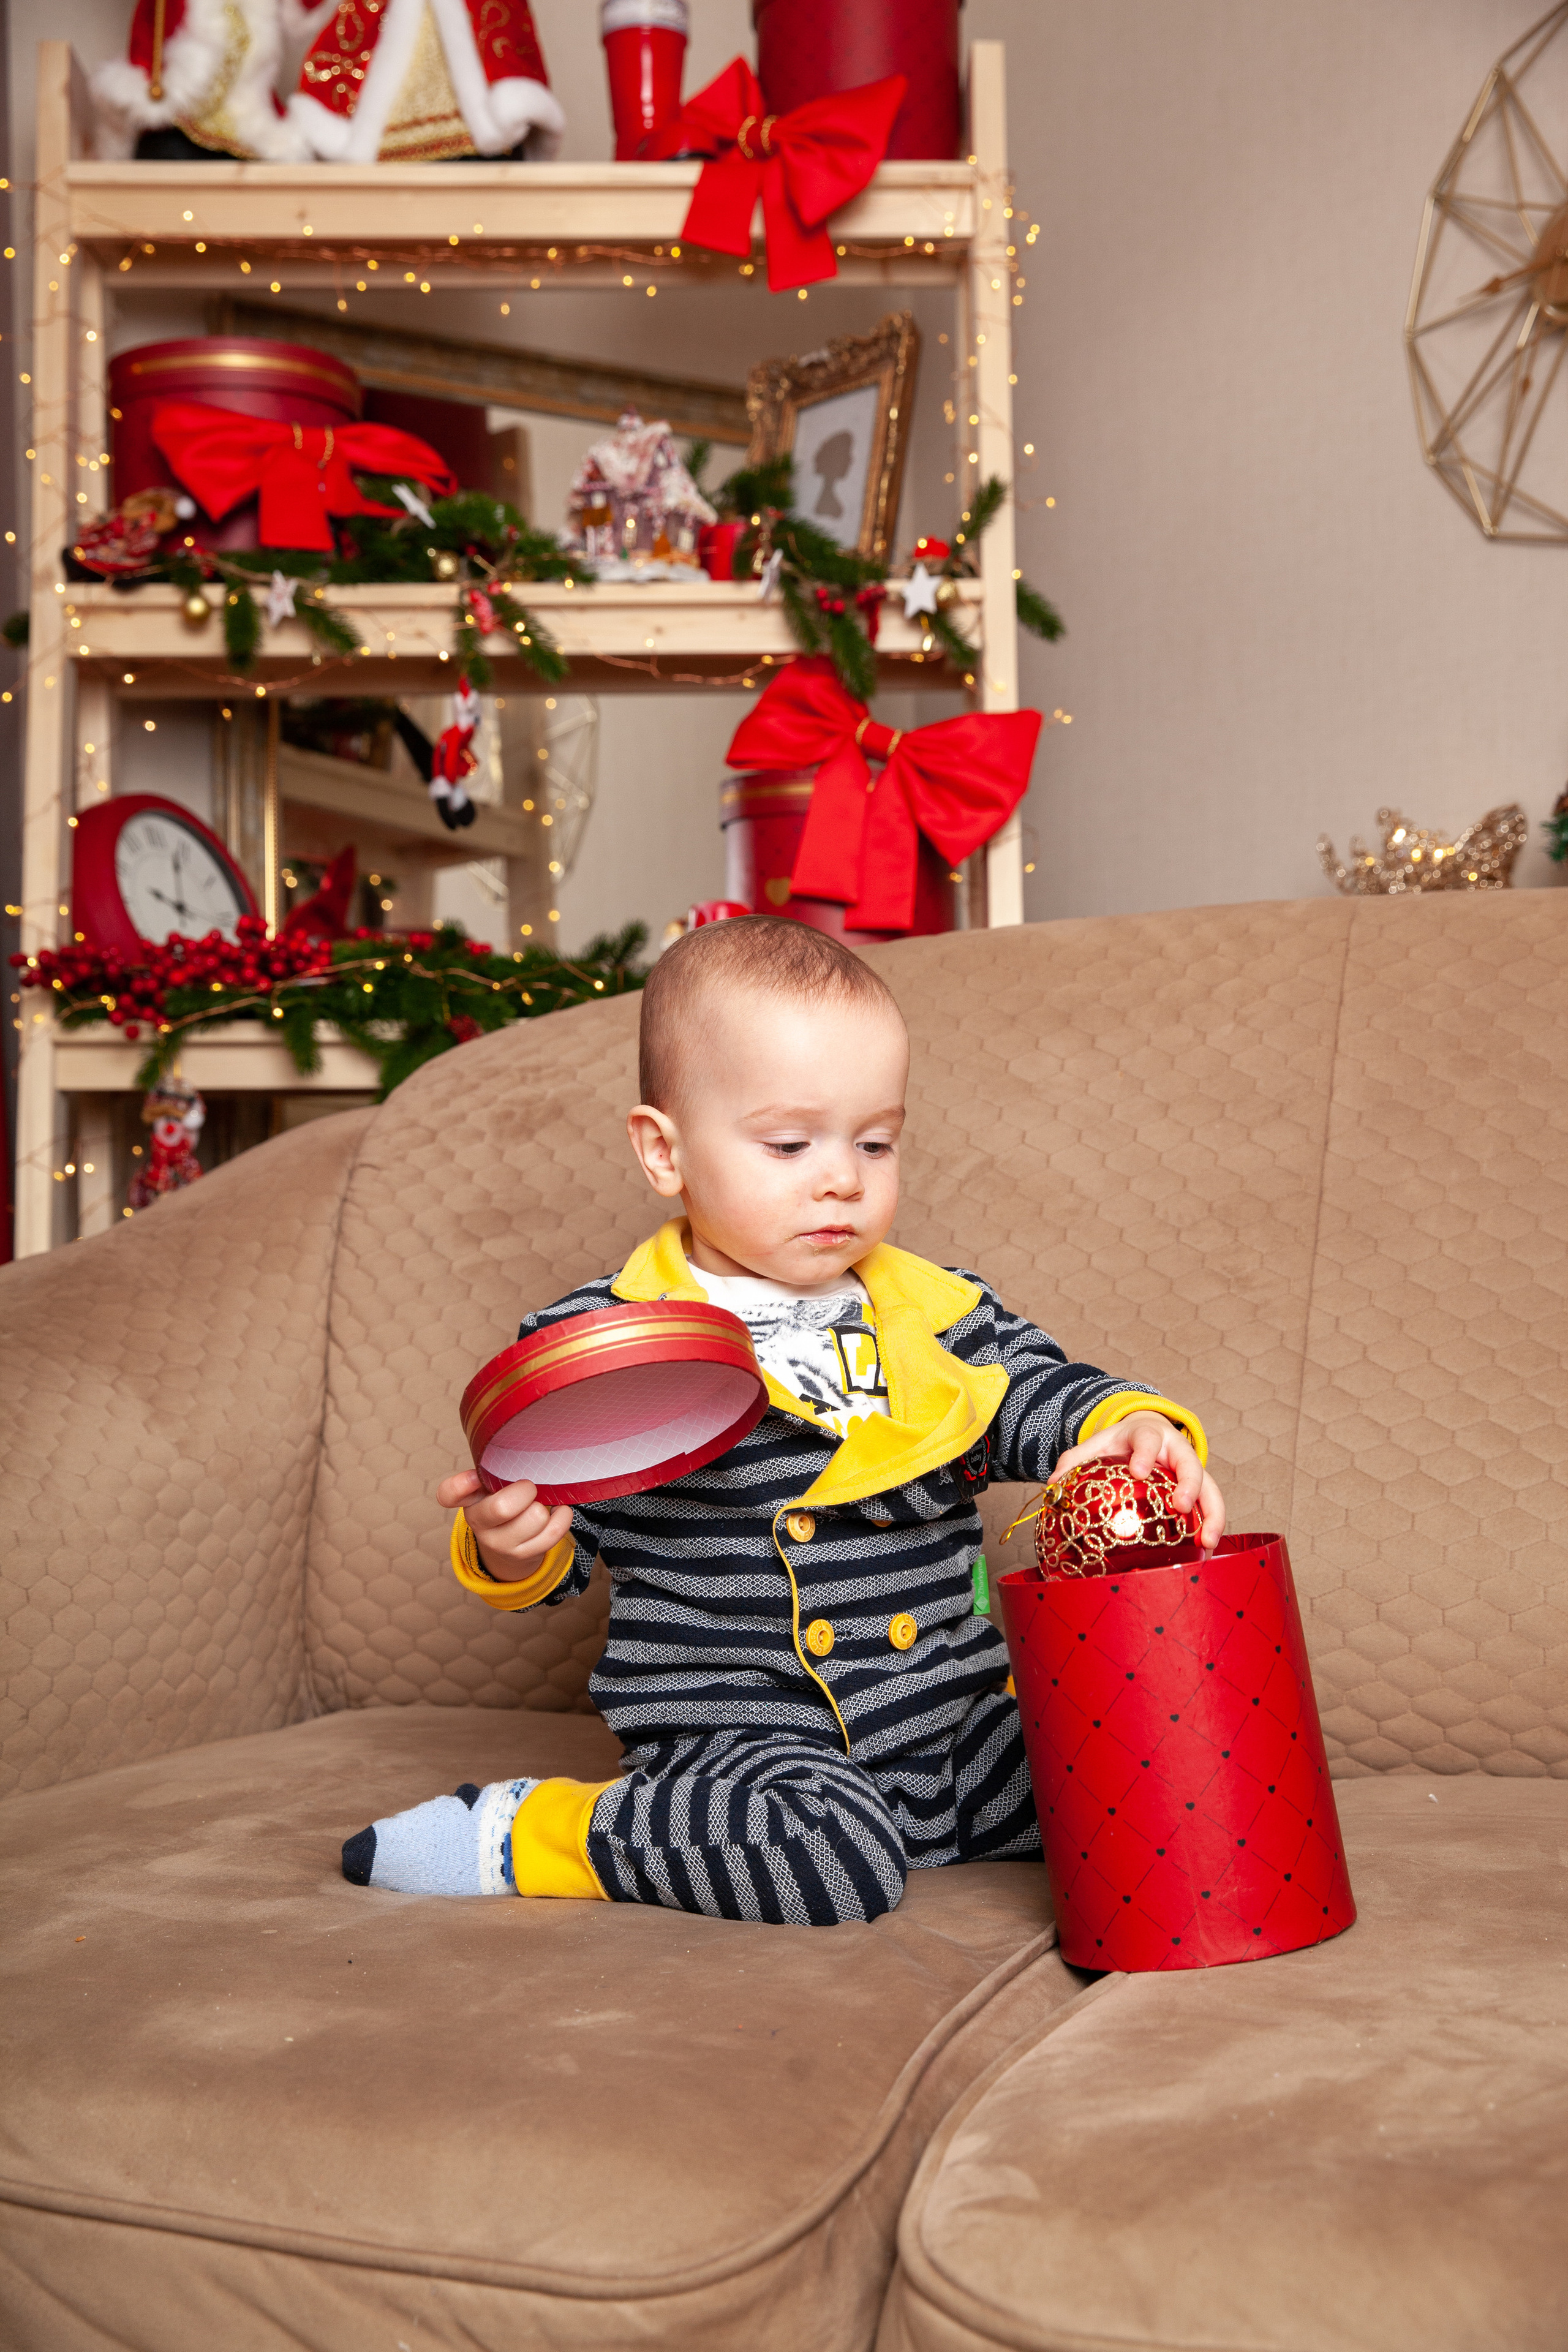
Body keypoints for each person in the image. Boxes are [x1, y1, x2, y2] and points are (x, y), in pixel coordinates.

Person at [343, 918, 1224, 1924]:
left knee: (1144, 1761)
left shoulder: (934, 1314)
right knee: (830, 1865)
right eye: (789, 1143)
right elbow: (556, 1544)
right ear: (663, 1151)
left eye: (875, 1140)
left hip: (950, 1730)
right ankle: (541, 1832)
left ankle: (934, 1812)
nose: (842, 1176)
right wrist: (513, 1544)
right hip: (748, 1749)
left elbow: (1034, 1389)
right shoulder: (613, 1344)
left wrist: (1123, 1426)